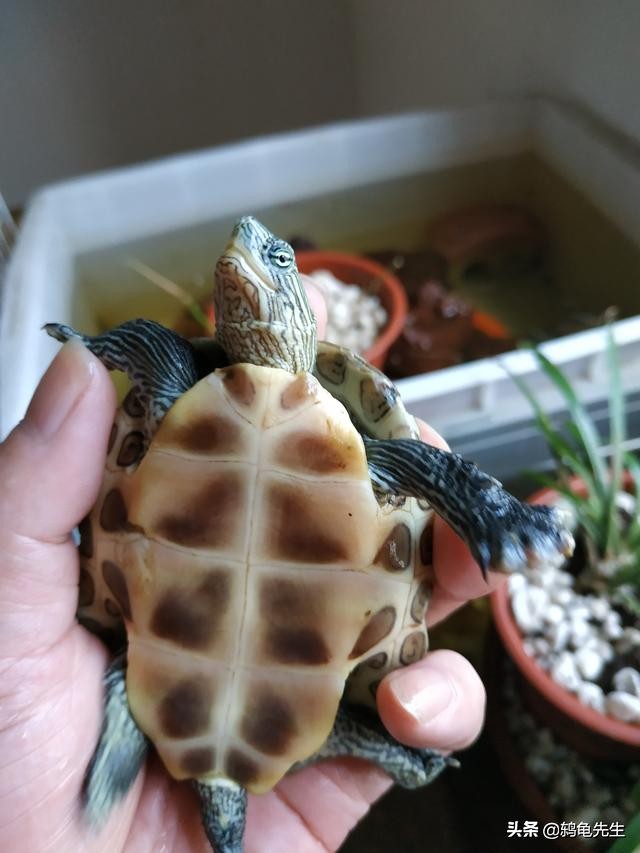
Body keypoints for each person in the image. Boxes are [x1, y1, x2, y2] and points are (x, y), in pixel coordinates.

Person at [0, 285, 504, 851]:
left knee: (165, 356)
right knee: (405, 710)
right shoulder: (321, 721)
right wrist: (489, 511)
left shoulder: (181, 387)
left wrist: (102, 348)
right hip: (360, 485)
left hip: (171, 540)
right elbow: (420, 465)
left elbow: (156, 352)